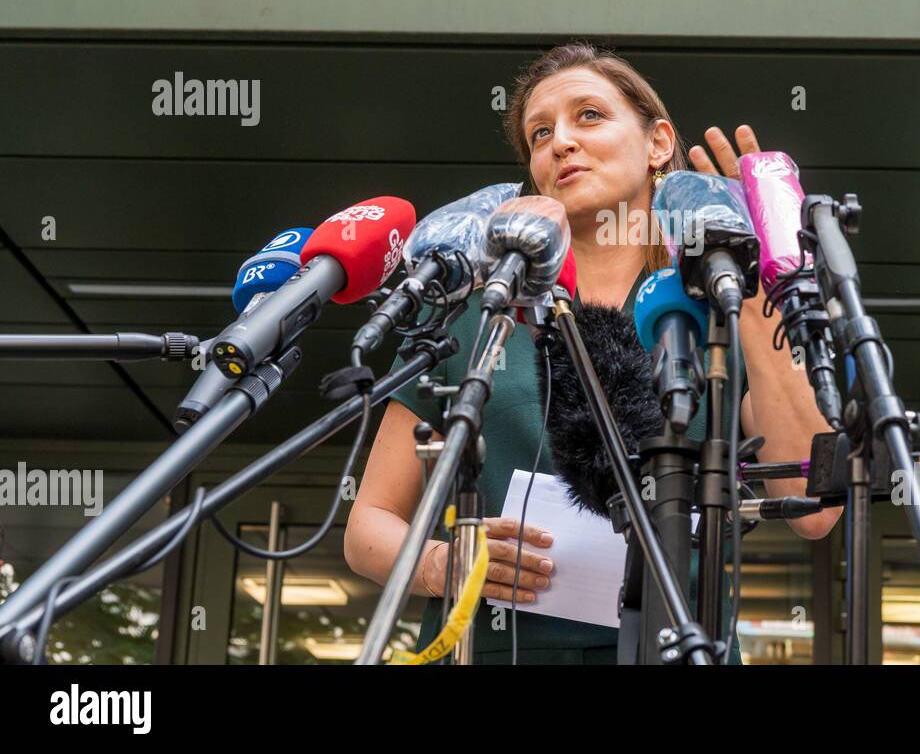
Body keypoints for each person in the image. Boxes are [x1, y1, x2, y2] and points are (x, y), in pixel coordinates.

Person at [344, 41, 842, 663]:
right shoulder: (472, 304)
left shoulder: (723, 298)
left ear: (658, 143)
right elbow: (368, 526)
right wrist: (444, 562)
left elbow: (816, 510)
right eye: (540, 134)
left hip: (678, 648)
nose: (561, 143)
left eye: (589, 116)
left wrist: (750, 271)